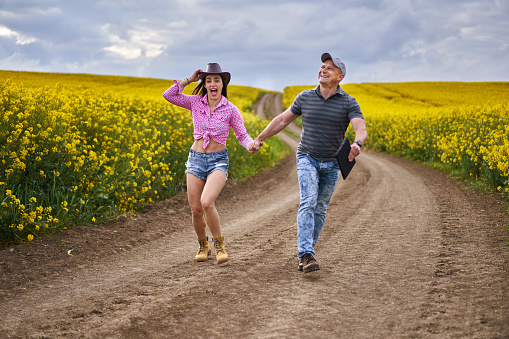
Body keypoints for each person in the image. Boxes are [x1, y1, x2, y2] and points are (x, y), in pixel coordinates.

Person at [250, 53, 367, 273]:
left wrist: (358, 143)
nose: (323, 70)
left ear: (340, 77)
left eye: (329, 68)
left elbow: (360, 127)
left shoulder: (348, 102)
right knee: (309, 200)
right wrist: (259, 138)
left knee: (321, 208)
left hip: (333, 163)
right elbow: (282, 120)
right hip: (307, 157)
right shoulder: (305, 97)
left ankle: (307, 253)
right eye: (322, 66)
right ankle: (306, 253)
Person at [163, 63, 258, 264]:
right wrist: (189, 79)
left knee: (207, 203)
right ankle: (202, 245)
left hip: (218, 162)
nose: (213, 84)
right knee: (196, 209)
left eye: (217, 80)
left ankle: (219, 245)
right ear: (204, 84)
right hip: (195, 160)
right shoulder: (195, 102)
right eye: (208, 80)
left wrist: (250, 144)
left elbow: (242, 134)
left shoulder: (231, 109)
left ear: (223, 85)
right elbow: (169, 95)